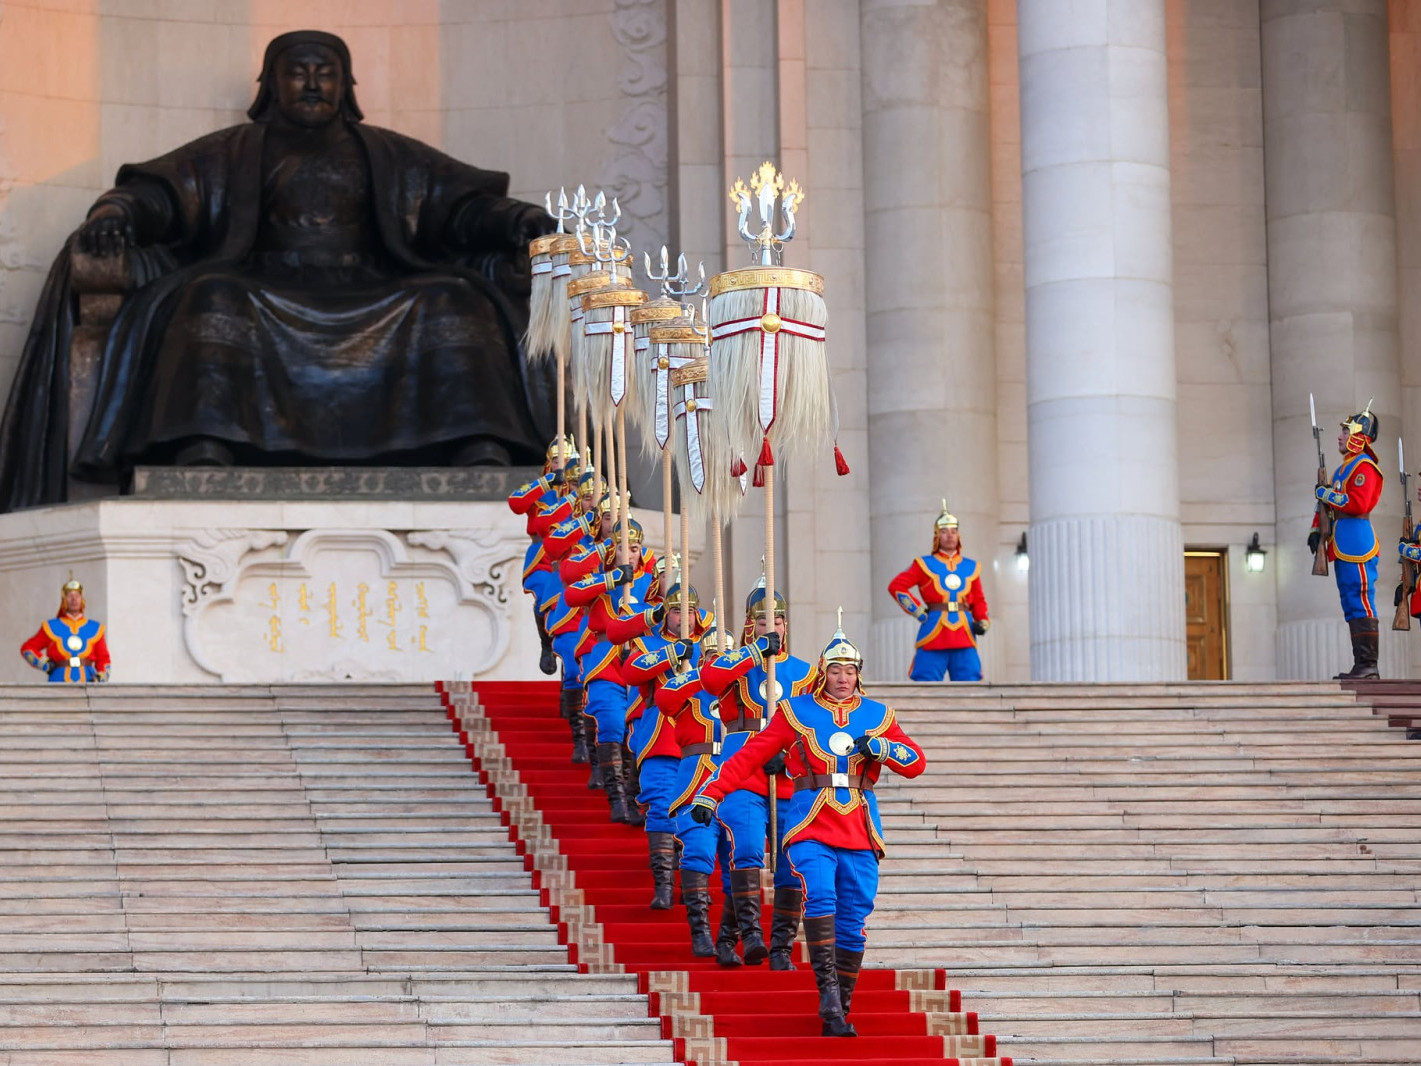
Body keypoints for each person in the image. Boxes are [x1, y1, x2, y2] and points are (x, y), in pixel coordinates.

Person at [0, 30, 559, 511]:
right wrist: (114, 213)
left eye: (325, 73)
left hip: (372, 282)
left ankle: (475, 439)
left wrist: (518, 219)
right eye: (298, 73)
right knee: (211, 296)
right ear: (271, 84)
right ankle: (205, 441)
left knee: (453, 299)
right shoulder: (233, 150)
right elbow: (163, 198)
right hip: (260, 281)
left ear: (347, 86)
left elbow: (457, 208)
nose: (313, 83)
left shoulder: (388, 154)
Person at [691, 613, 924, 1037]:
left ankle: (843, 1002)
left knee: (853, 919)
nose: (842, 678)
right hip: (810, 821)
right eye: (835, 670)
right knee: (819, 897)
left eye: (849, 671)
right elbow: (749, 755)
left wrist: (884, 747)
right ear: (823, 672)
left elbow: (916, 763)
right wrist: (711, 791)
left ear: (858, 675)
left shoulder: (878, 713)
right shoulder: (795, 710)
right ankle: (829, 997)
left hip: (858, 824)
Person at [699, 582, 817, 968]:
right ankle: (750, 935)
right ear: (750, 625)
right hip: (742, 769)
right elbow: (710, 680)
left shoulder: (806, 673)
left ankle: (778, 947)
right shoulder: (737, 663)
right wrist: (752, 652)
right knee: (747, 847)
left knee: (789, 861)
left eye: (778, 619)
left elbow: (815, 726)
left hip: (787, 774)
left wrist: (790, 755)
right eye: (763, 619)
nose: (773, 626)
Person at [621, 581, 712, 911]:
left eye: (689, 610)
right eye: (676, 611)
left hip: (702, 742)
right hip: (662, 738)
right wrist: (672, 653)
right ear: (665, 614)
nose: (684, 617)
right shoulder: (648, 645)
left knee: (694, 812)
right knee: (660, 807)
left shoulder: (712, 645)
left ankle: (693, 877)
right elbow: (631, 672)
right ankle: (663, 882)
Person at [654, 638, 740, 961]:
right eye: (714, 657)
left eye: (726, 659)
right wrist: (699, 672)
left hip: (736, 785)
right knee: (700, 853)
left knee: (738, 861)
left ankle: (728, 939)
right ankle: (700, 932)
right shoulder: (689, 689)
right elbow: (664, 698)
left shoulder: (745, 693)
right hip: (697, 783)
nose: (721, 664)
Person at [1311, 405, 1383, 679]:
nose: (1340, 436)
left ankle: (1369, 665)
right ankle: (1361, 664)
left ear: (1359, 434)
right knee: (1350, 600)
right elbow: (1328, 506)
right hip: (1342, 540)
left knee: (1361, 597)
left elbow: (1358, 503)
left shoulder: (1364, 466)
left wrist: (1328, 495)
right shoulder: (1343, 469)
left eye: (1345, 430)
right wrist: (1316, 530)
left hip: (1357, 540)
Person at [887, 501, 989, 681]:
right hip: (934, 630)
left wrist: (983, 620)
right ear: (937, 536)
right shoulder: (923, 564)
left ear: (959, 535)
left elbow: (978, 599)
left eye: (953, 531)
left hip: (964, 632)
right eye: (944, 532)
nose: (950, 536)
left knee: (971, 684)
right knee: (925, 683)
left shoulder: (971, 566)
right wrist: (917, 611)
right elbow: (896, 586)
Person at [21, 577, 111, 683]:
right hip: (58, 679)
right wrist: (45, 664)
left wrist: (101, 677)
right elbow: (28, 648)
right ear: (64, 600)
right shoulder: (51, 626)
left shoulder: (95, 628)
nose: (74, 599)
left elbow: (103, 658)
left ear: (82, 599)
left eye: (77, 595)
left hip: (87, 680)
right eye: (69, 596)